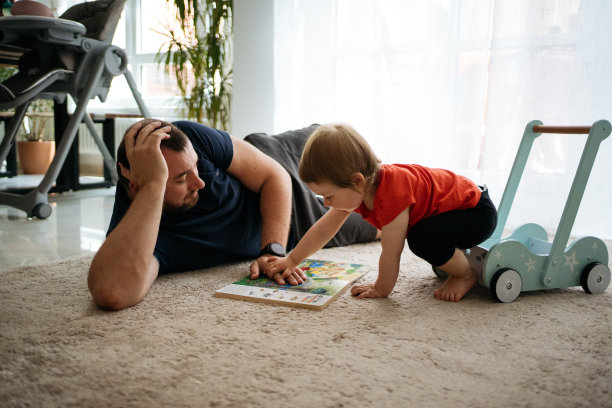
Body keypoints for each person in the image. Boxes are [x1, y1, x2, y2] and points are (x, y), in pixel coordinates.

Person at [88, 119, 378, 310]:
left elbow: (273, 176)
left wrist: (272, 250)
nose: (199, 182)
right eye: (179, 179)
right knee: (377, 218)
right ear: (139, 186)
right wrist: (155, 183)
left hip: (276, 171)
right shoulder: (136, 232)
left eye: (196, 168)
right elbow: (112, 293)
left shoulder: (193, 138)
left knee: (373, 179)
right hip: (302, 221)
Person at [264, 123, 498, 302]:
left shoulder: (393, 194)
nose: (325, 203)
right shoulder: (360, 188)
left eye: (329, 196)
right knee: (424, 235)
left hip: (475, 213)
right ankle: (450, 258)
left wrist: (381, 288)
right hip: (455, 212)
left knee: (419, 239)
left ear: (356, 181)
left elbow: (391, 252)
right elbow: (325, 227)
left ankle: (464, 274)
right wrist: (293, 259)